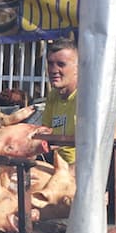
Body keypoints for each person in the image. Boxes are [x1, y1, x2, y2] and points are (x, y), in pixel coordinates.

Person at [41, 38, 80, 166]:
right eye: (50, 64)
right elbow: (46, 132)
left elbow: (110, 142)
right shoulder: (53, 95)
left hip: (80, 168)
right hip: (57, 164)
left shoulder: (88, 98)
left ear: (77, 68)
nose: (53, 70)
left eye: (61, 64)